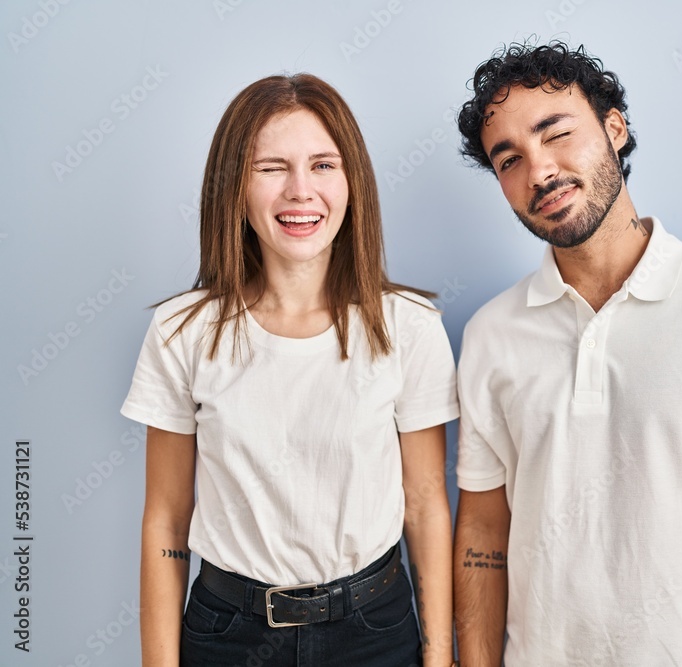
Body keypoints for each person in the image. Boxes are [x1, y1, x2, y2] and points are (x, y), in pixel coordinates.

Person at [453, 42, 682, 666]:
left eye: (556, 134)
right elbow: (484, 531)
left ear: (614, 128)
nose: (540, 171)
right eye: (509, 160)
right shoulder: (492, 334)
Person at [121, 73, 458, 666]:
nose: (300, 191)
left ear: (353, 183)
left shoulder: (410, 326)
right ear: (235, 187)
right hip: (229, 634)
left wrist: (439, 657)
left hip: (376, 630)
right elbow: (165, 521)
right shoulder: (182, 331)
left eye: (323, 165)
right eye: (271, 167)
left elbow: (426, 504)